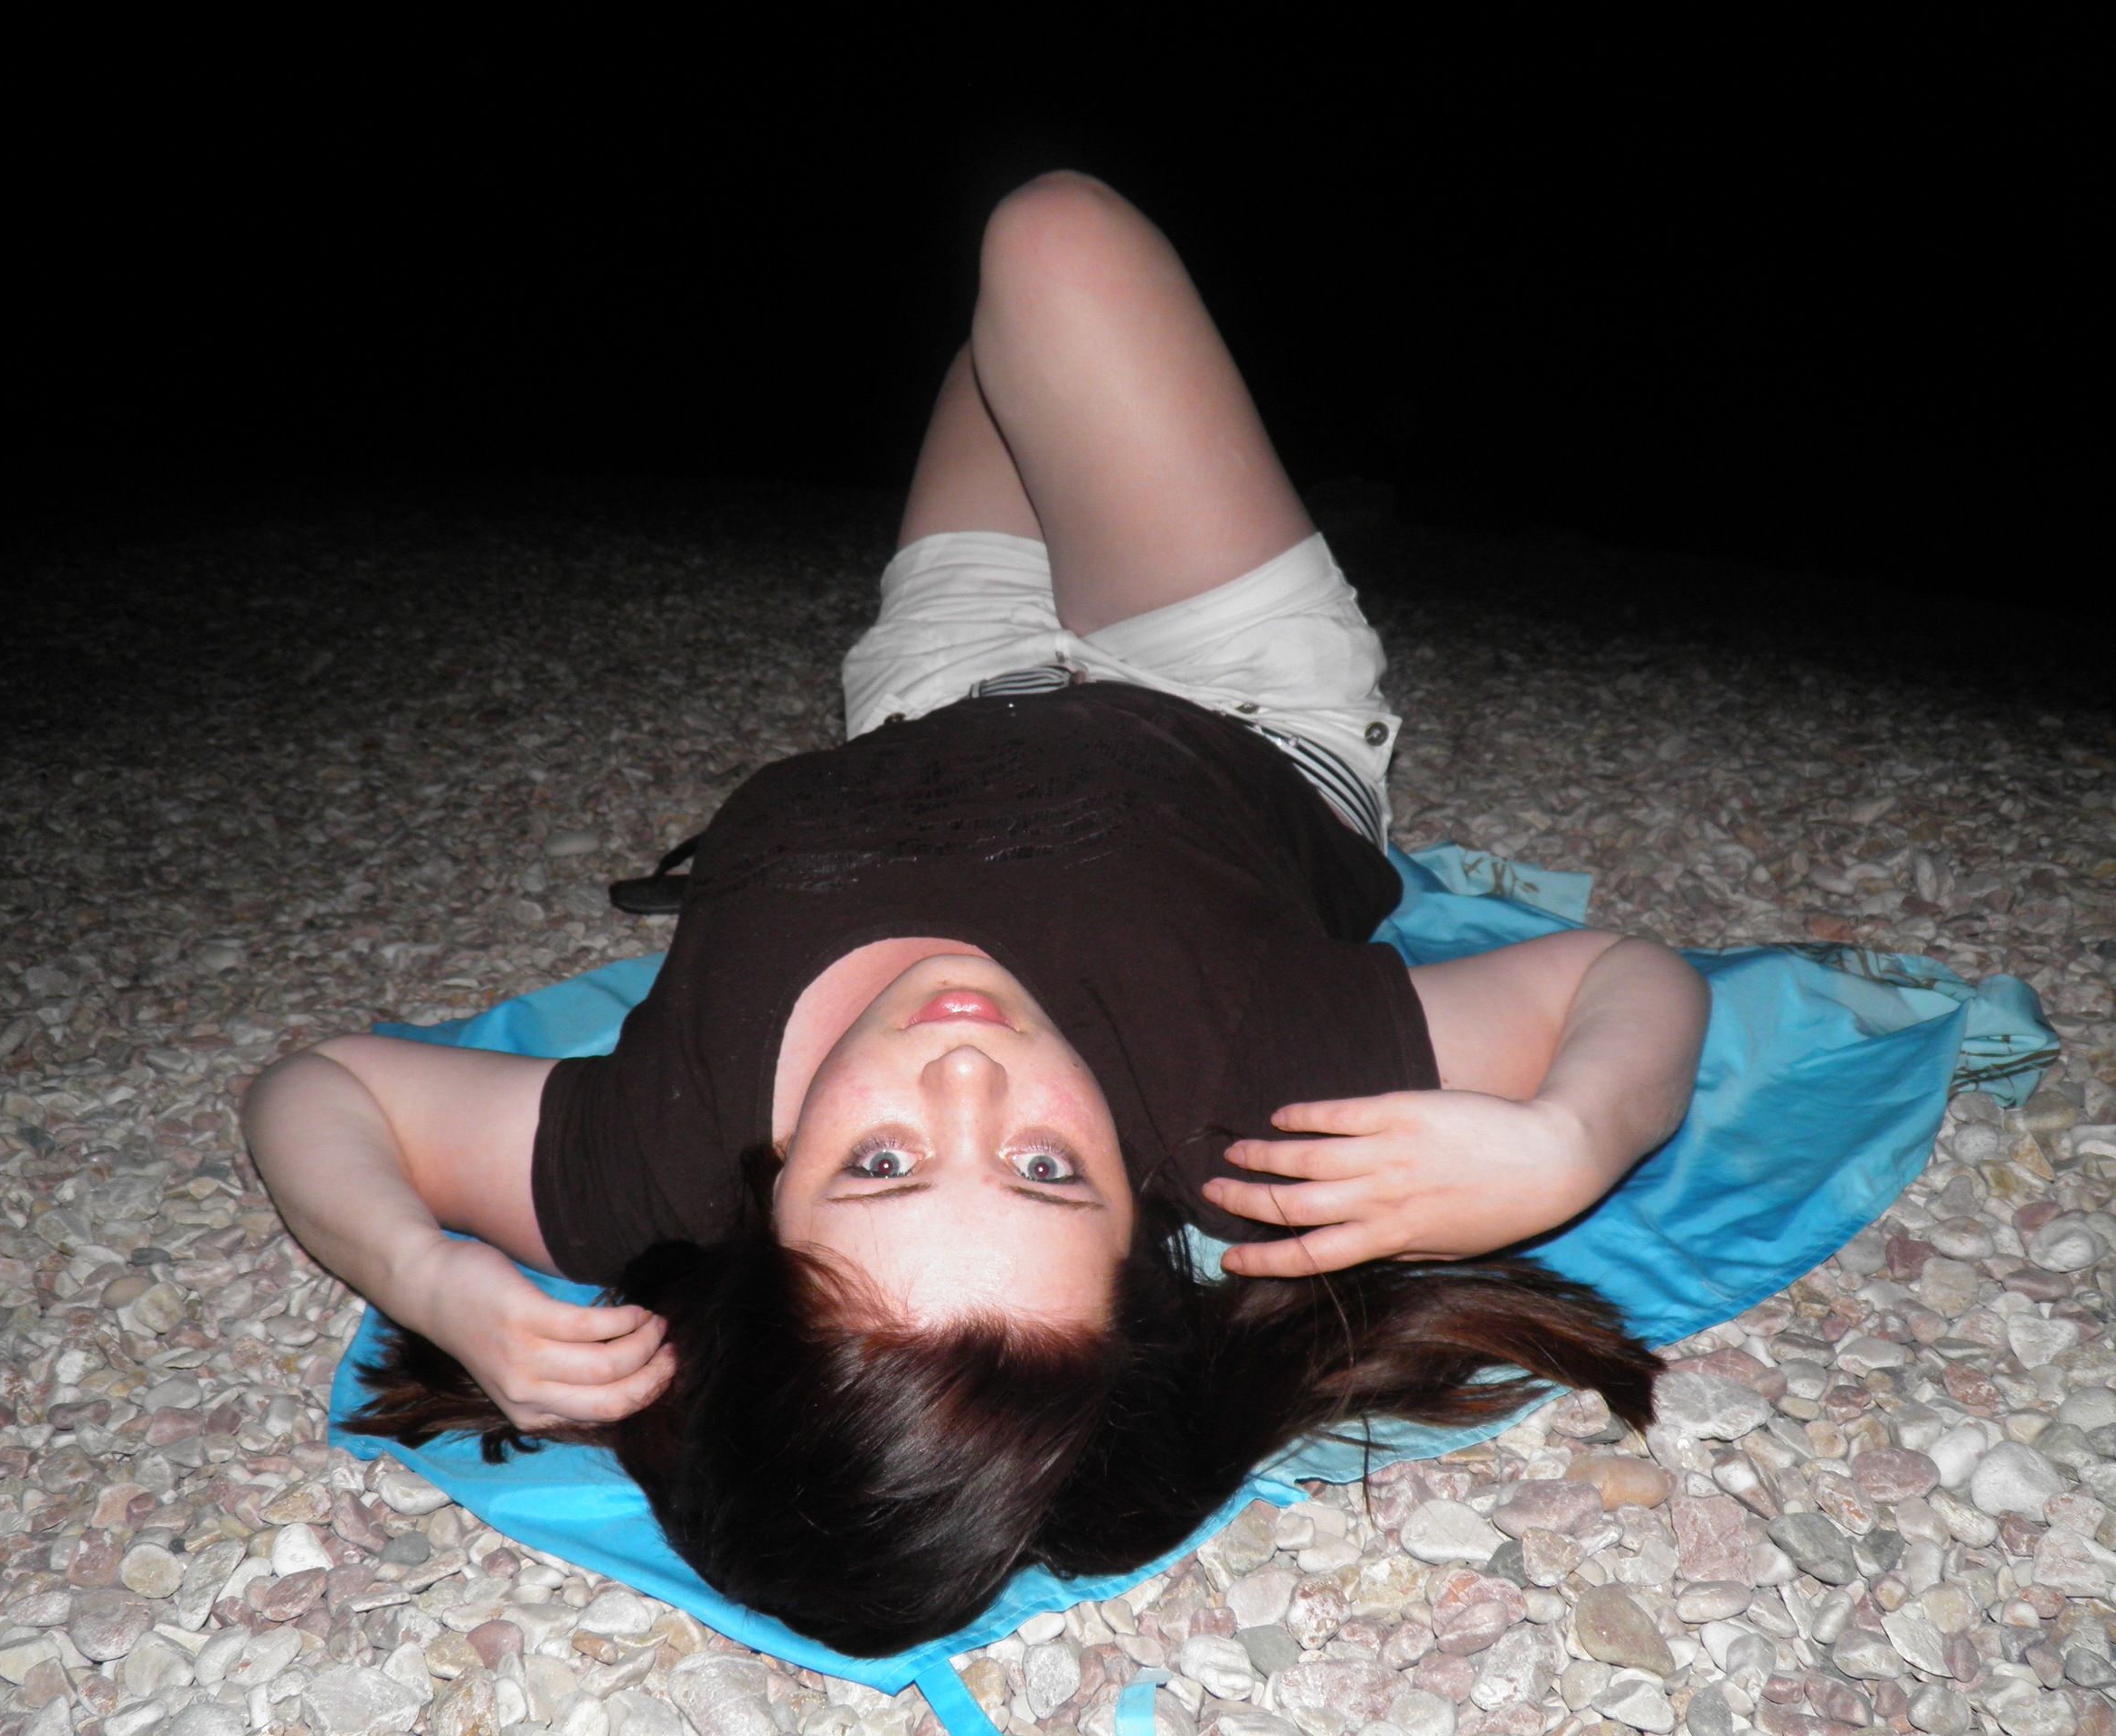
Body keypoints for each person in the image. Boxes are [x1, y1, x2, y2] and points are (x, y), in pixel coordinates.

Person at [245, 172, 1709, 1655]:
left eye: (880, 1164)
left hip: (930, 688)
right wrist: (1569, 1138)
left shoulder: (659, 1151)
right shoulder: (1253, 1104)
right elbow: (1626, 979)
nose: (966, 1071)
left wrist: (424, 1271)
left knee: (1004, 339)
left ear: (756, 1222)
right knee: (1050, 238)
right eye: (1047, 1170)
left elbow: (323, 1089)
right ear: (1139, 1224)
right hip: (1225, 701)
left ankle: (1130, 443)